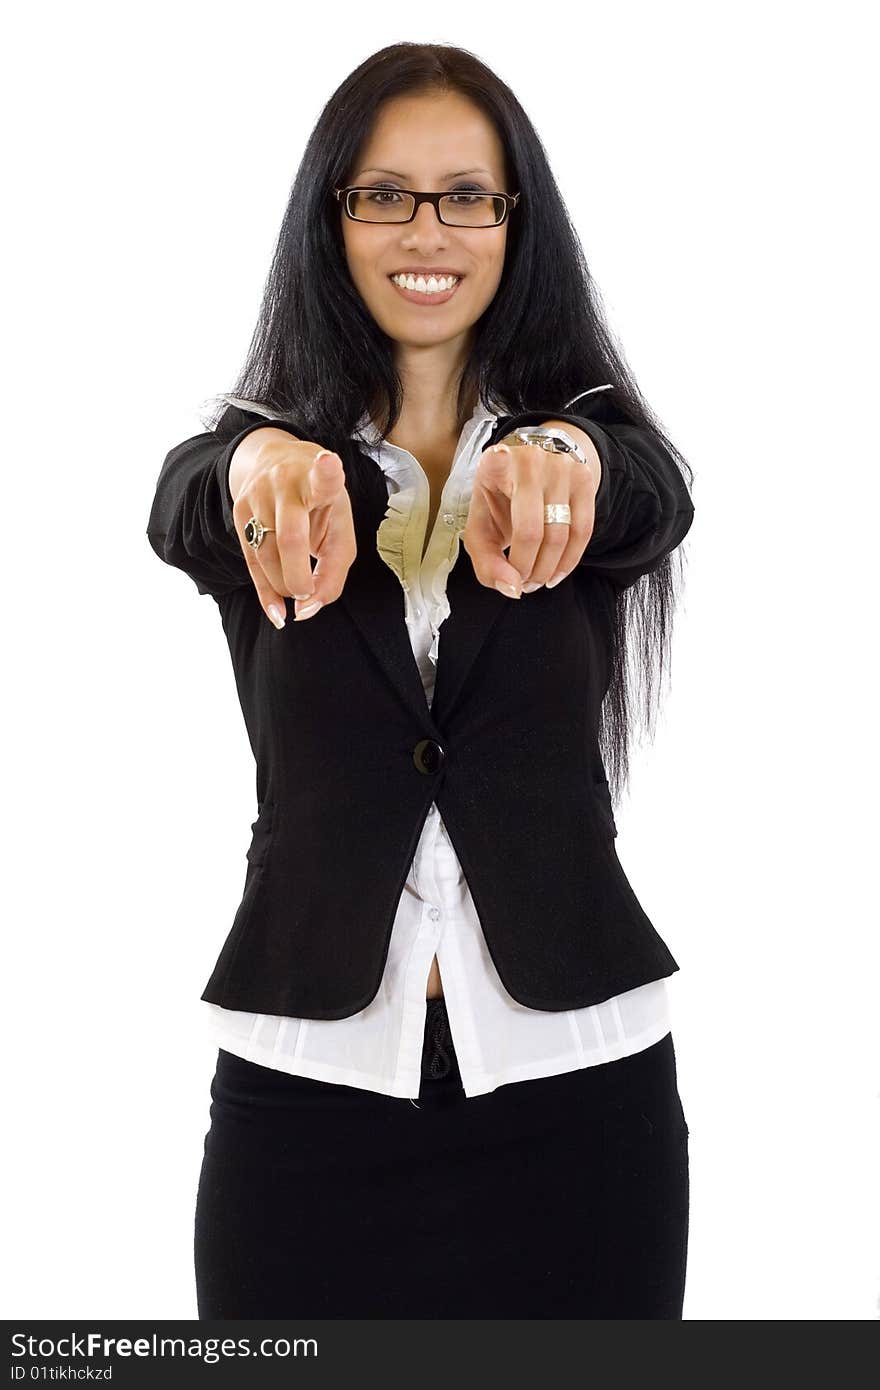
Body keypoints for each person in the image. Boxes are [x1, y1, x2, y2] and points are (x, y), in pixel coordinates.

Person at [146, 41, 696, 1319]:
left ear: (515, 220)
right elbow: (178, 505)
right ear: (332, 216)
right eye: (383, 193)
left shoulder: (588, 449)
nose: (424, 229)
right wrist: (252, 467)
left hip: (579, 1089)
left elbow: (652, 495)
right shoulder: (257, 461)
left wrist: (568, 454)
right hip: (304, 1096)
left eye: (466, 193)